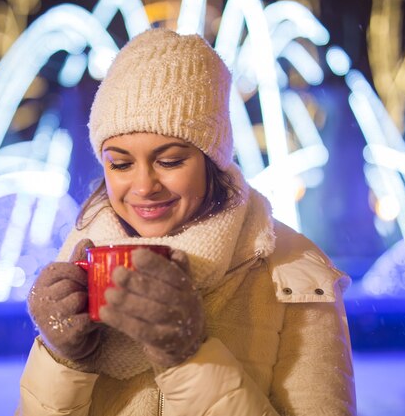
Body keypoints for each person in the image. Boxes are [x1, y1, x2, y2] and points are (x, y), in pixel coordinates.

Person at [18, 28, 356, 416]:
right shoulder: (77, 262)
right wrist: (64, 360)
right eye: (121, 163)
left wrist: (188, 357)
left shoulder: (294, 275)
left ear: (212, 160)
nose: (144, 186)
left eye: (170, 160)